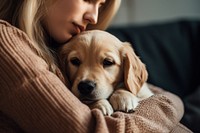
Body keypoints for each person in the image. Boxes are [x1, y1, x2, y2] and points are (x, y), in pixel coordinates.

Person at [0, 0, 192, 132]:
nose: (94, 17)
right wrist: (171, 104)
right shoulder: (4, 40)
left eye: (100, 4)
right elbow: (89, 129)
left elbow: (147, 90)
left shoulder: (55, 44)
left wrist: (124, 92)